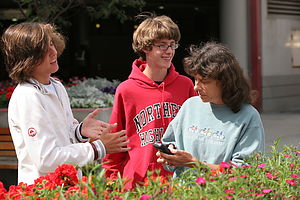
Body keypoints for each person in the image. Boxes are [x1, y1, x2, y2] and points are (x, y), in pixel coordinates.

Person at [0, 22, 130, 185]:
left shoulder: (55, 85)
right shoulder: (28, 95)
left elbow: (62, 137)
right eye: (44, 50)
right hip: (44, 191)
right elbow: (46, 159)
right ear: (27, 59)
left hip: (66, 187)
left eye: (52, 44)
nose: (54, 52)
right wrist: (98, 148)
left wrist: (80, 131)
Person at [102, 13, 197, 189]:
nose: (169, 51)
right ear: (146, 47)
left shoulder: (186, 85)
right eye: (162, 46)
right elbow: (116, 140)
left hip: (180, 180)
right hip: (138, 181)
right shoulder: (127, 90)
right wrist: (111, 179)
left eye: (172, 45)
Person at [156, 42, 265, 177]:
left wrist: (193, 163)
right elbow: (170, 142)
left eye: (204, 81)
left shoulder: (248, 116)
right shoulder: (190, 106)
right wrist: (170, 155)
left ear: (225, 81)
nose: (196, 87)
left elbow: (244, 173)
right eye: (195, 79)